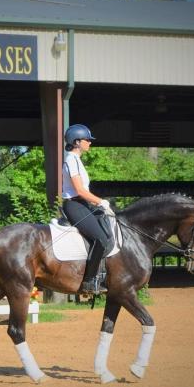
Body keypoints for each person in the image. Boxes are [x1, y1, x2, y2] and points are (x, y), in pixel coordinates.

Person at [61, 124, 114, 294]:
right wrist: (101, 202)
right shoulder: (71, 159)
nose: (90, 143)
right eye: (87, 140)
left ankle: (104, 273)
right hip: (74, 205)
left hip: (83, 204)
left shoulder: (77, 160)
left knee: (108, 228)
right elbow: (80, 190)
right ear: (77, 142)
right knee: (100, 239)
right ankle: (89, 282)